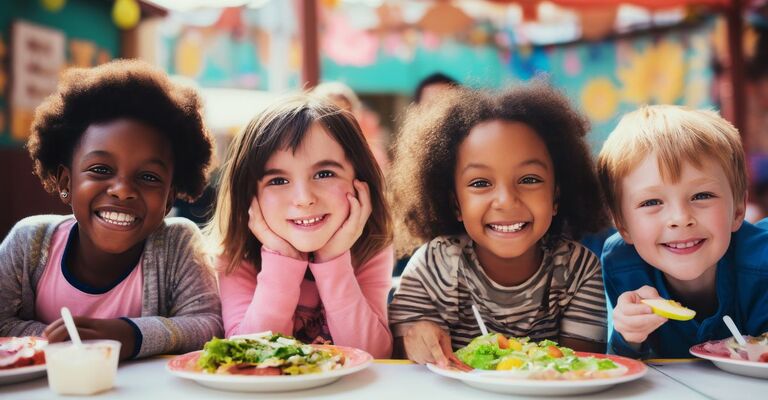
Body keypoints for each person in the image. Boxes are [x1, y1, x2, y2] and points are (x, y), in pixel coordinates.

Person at [0, 60, 223, 360]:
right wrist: (51, 340)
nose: (123, 190)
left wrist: (133, 334)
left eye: (148, 177)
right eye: (101, 169)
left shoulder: (177, 244)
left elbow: (208, 324)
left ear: (170, 198)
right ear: (67, 180)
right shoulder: (30, 243)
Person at [388, 83, 610, 367]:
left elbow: (580, 367)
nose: (506, 201)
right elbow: (399, 355)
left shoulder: (578, 270)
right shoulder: (435, 264)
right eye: (480, 183)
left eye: (529, 179)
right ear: (455, 203)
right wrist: (413, 338)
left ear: (556, 195)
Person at [208, 94, 394, 358]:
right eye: (278, 180)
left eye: (324, 174)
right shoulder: (237, 257)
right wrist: (282, 259)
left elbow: (373, 355)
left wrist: (334, 260)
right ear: (249, 196)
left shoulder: (370, 248)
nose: (304, 198)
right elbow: (249, 355)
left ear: (360, 181)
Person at [597, 105, 768, 358]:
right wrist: (629, 334)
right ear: (622, 224)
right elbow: (628, 363)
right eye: (652, 202)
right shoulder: (623, 265)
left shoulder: (762, 264)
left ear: (738, 210)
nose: (680, 218)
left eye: (701, 196)